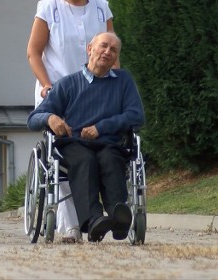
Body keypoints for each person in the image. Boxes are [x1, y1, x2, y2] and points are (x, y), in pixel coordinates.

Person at [26, 0, 114, 243]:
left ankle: (103, 212)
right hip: (59, 91)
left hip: (95, 91)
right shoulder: (48, 8)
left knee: (99, 147)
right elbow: (34, 52)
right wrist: (46, 84)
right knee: (63, 153)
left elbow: (111, 51)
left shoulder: (101, 8)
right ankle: (71, 226)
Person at [27, 32, 145, 242]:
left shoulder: (123, 81)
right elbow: (33, 119)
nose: (108, 52)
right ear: (90, 49)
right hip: (75, 144)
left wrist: (101, 127)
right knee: (85, 160)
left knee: (109, 160)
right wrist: (51, 117)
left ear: (116, 57)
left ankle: (119, 218)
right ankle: (93, 221)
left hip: (110, 142)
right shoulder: (67, 84)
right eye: (103, 46)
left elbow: (136, 115)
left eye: (113, 50)